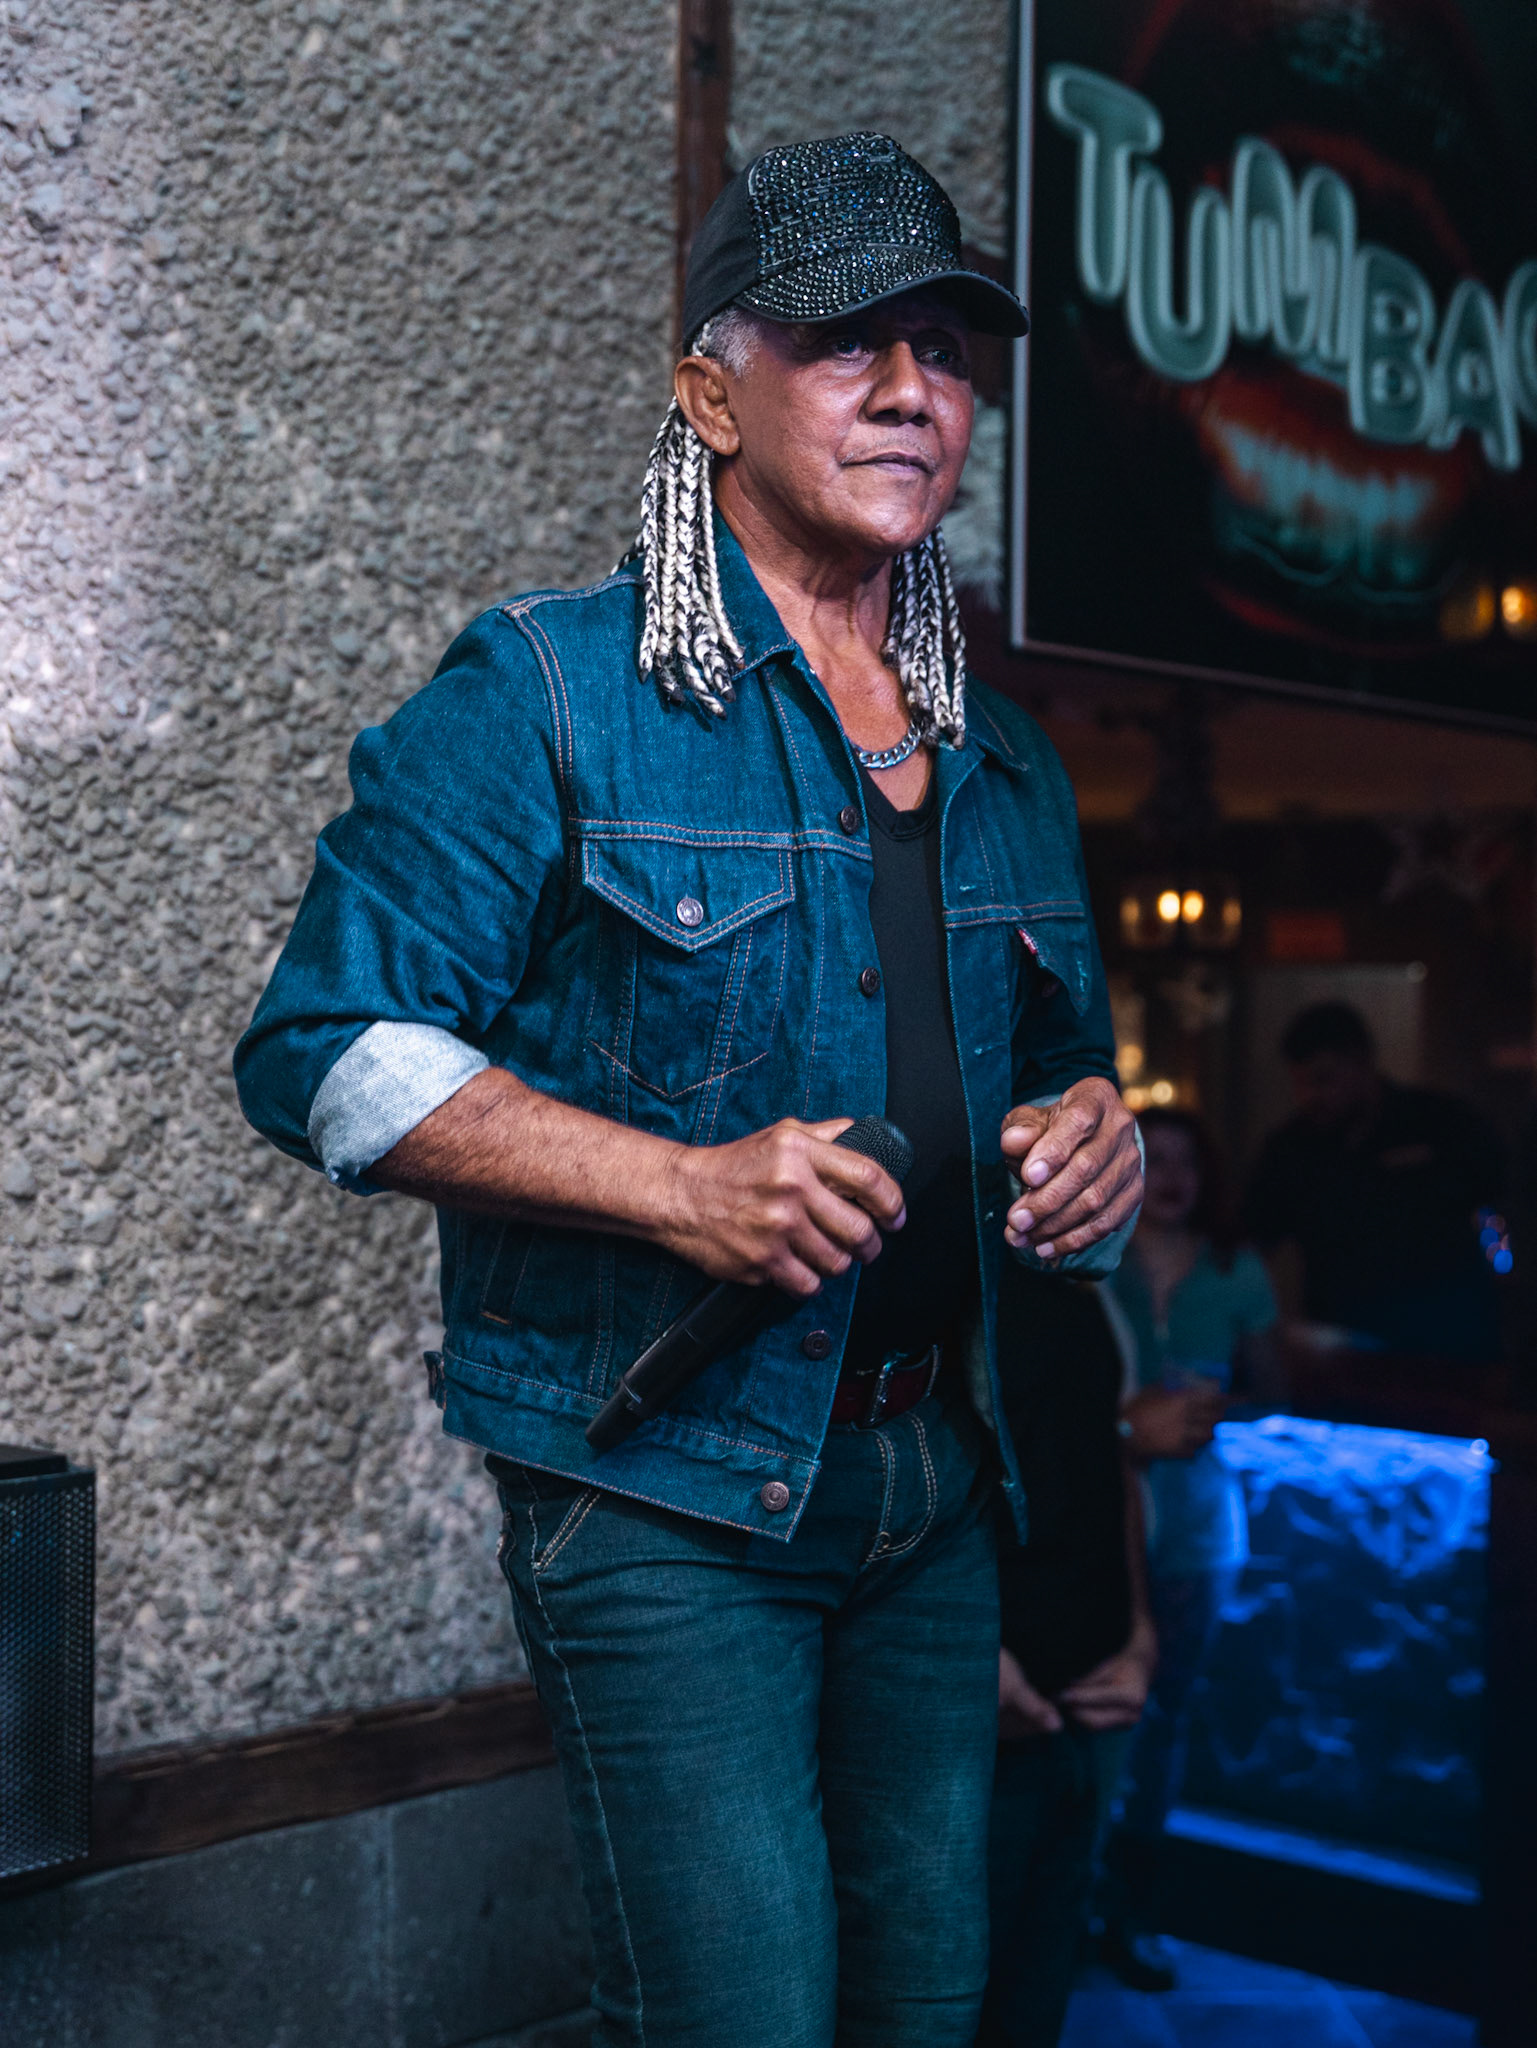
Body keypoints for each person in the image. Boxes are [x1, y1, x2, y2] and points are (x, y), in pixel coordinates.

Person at [234, 134, 1143, 2048]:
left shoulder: (1005, 756)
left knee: (931, 2005)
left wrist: (1096, 1138)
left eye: (943, 350)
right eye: (845, 341)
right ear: (710, 396)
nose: (910, 389)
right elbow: (326, 1050)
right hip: (664, 1494)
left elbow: (1057, 1060)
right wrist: (679, 1185)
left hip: (932, 1481)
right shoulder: (549, 688)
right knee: (738, 2013)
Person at [1099, 1108, 1278, 1993]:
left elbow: (1272, 1389)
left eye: (1184, 1162)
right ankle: (1073, 1895)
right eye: (1152, 1159)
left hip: (1199, 1516)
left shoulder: (1233, 1265)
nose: (1170, 1177)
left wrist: (1209, 1411)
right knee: (1095, 1706)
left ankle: (1133, 1911)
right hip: (1104, 1506)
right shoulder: (1093, 1262)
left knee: (1165, 1713)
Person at [978, 1265, 1156, 2048]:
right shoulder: (943, 1258)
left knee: (1037, 1995)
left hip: (1089, 1693)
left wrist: (1139, 1630)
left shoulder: (1084, 1273)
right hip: (986, 1707)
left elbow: (1108, 1451)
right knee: (950, 2000)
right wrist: (973, 1655)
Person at [1242, 1002, 1505, 1362]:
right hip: (1341, 1345)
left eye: (1323, 1079)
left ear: (1362, 1063)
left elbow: (1500, 1206)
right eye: (1299, 1083)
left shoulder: (1441, 1123)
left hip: (1448, 1342)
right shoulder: (1291, 1149)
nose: (1310, 1096)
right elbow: (1254, 1242)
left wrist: (1504, 1275)